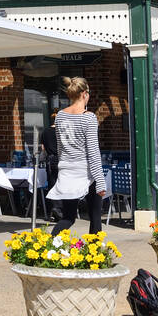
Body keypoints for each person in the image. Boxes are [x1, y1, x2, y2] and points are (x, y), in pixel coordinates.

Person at [45, 77, 106, 235]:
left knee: (68, 217)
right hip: (85, 170)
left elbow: (60, 147)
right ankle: (94, 255)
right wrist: (100, 181)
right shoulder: (88, 117)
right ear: (85, 94)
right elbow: (93, 152)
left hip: (66, 169)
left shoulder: (60, 116)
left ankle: (49, 246)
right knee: (95, 216)